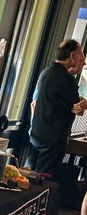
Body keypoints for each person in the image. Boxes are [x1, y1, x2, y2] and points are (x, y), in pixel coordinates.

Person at [28, 39, 87, 178]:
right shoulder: (65, 79)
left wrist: (75, 107)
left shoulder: (46, 73)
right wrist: (80, 104)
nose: (83, 63)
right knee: (43, 183)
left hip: (36, 136)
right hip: (52, 141)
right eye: (81, 57)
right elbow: (79, 109)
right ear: (72, 56)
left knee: (29, 178)